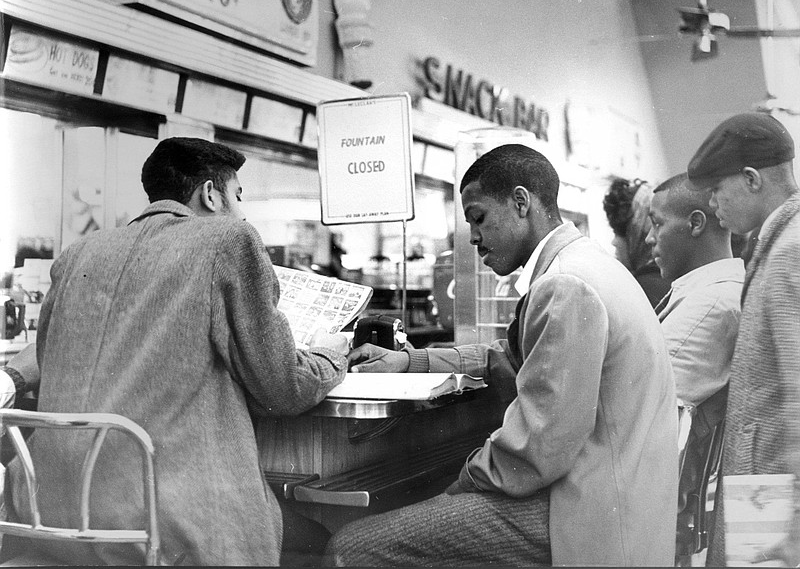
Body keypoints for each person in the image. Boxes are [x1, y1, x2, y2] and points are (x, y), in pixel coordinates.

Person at [326, 144, 678, 566]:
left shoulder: (564, 285)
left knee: (352, 548)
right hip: (621, 503)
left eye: (479, 218)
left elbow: (538, 447)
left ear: (521, 202)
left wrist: (463, 479)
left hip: (581, 515)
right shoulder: (585, 265)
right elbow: (507, 358)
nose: (472, 236)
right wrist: (409, 361)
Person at [5, 137, 349, 566]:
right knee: (330, 544)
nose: (242, 211)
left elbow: (51, 353)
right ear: (210, 194)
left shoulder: (79, 252)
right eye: (238, 196)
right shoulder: (228, 238)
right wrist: (332, 355)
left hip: (53, 514)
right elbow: (284, 387)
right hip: (166, 522)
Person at [686, 112, 800, 567]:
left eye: (717, 188)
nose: (712, 202)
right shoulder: (778, 243)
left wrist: (792, 537)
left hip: (771, 495)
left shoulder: (791, 252)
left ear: (751, 179)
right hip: (764, 487)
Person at [646, 172, 744, 408]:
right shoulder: (715, 294)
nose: (650, 238)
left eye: (658, 223)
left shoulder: (713, 303)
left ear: (696, 223)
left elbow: (645, 409)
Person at [603, 177, 671, 307]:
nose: (614, 242)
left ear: (637, 233)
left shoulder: (636, 290)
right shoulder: (682, 281)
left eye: (620, 231)